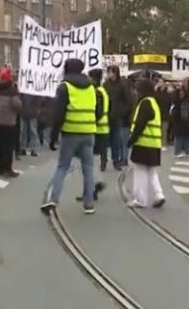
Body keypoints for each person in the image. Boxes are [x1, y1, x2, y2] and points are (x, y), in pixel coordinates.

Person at [41, 59, 102, 215]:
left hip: (70, 132)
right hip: (89, 132)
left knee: (62, 166)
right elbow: (98, 112)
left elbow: (58, 114)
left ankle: (53, 199)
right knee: (88, 169)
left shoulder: (64, 87)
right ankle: (89, 203)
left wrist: (53, 136)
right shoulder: (92, 88)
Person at [126, 78, 165, 208]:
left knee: (140, 171)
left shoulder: (144, 103)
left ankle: (140, 199)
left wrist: (131, 140)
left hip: (143, 142)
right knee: (152, 171)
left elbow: (140, 124)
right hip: (154, 142)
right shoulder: (153, 102)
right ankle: (159, 194)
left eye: (138, 89)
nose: (136, 92)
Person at [0, 68, 22, 178]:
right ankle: (8, 169)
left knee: (1, 145)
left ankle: (1, 168)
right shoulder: (12, 90)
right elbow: (16, 105)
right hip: (9, 121)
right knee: (9, 146)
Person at [105, 65, 133, 169]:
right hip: (107, 115)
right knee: (108, 138)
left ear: (115, 73)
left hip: (118, 116)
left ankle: (117, 160)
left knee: (117, 139)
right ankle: (105, 160)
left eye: (111, 72)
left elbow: (128, 101)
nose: (109, 74)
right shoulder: (106, 84)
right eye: (108, 72)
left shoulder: (122, 84)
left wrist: (122, 112)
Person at [89, 69, 110, 171]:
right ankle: (103, 162)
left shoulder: (97, 91)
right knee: (103, 147)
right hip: (104, 123)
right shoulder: (103, 90)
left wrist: (95, 120)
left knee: (95, 146)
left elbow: (98, 109)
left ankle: (101, 164)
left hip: (98, 124)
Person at [172, 81, 189, 158]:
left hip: (188, 115)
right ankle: (177, 151)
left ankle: (187, 150)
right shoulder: (177, 92)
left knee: (188, 134)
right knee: (179, 135)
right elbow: (175, 101)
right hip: (179, 116)